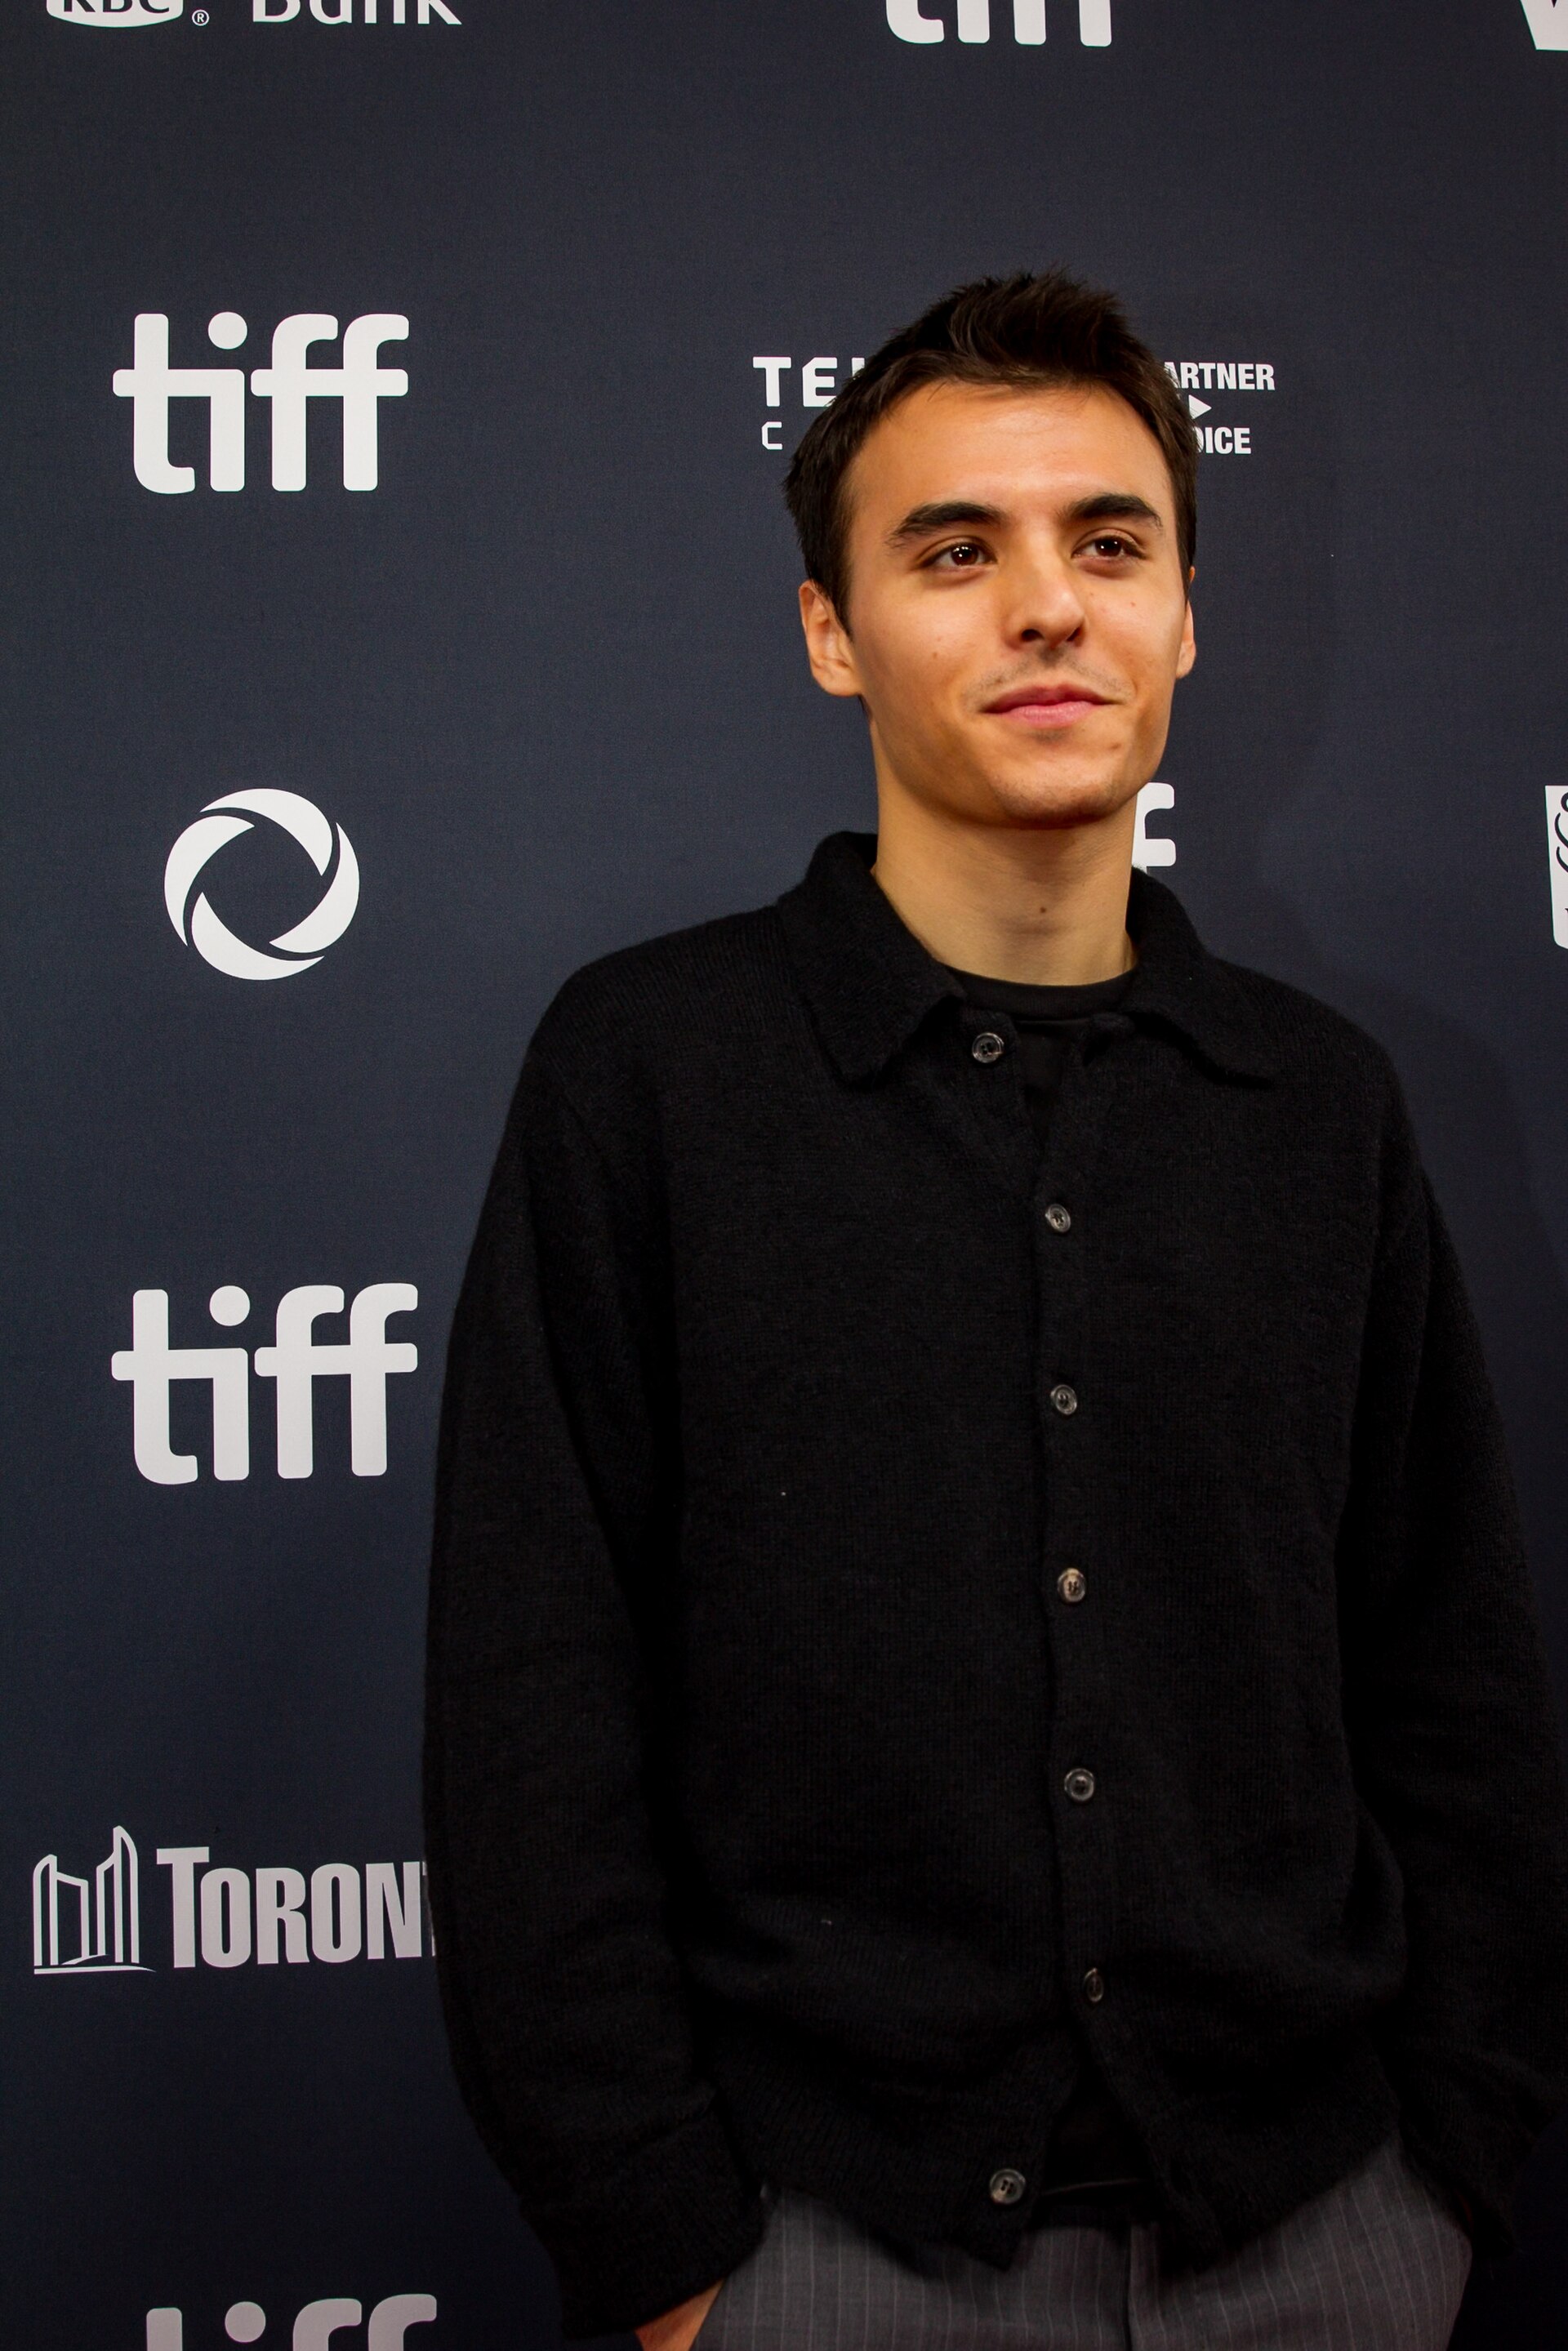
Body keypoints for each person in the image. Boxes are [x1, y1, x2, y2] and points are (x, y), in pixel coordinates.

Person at [423, 273, 1568, 2349]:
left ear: (1188, 618)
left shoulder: (1322, 1105)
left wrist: (1452, 2169)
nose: (1050, 605)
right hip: (815, 2257)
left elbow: (1455, 1684)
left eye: (1109, 541)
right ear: (830, 634)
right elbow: (531, 1702)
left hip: (1327, 2245)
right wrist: (666, 2253)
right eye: (958, 551)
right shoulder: (653, 1071)